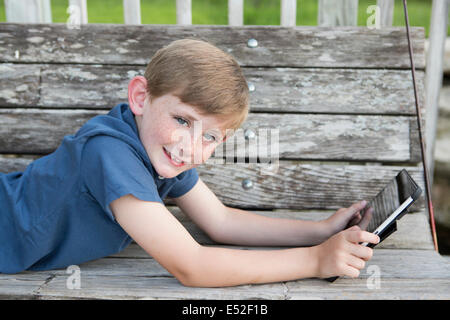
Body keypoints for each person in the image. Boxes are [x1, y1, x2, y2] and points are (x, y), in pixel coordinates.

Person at [0, 39, 379, 287]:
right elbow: (192, 266)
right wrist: (315, 260)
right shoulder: (111, 152)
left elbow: (222, 221)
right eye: (182, 120)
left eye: (210, 137)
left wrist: (318, 231)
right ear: (140, 97)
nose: (190, 146)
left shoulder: (160, 150)